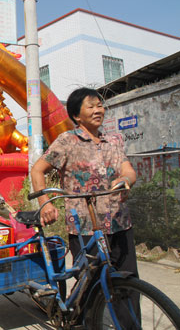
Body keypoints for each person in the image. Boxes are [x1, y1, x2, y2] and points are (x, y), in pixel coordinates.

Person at [30, 87, 138, 278]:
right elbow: (38, 170)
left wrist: (126, 179)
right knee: (90, 285)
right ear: (76, 116)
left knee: (127, 282)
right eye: (91, 107)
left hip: (119, 221)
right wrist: (44, 203)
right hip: (86, 226)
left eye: (100, 106)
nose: (98, 110)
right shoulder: (67, 141)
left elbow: (128, 169)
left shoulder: (113, 140)